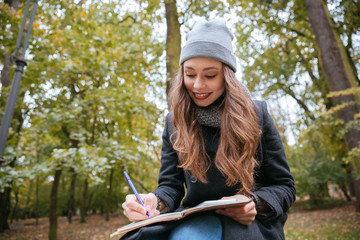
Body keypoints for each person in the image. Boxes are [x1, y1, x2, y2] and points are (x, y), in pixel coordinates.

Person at [121, 19, 296, 240]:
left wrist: (255, 203)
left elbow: (284, 186)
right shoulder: (174, 122)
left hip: (249, 225)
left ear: (227, 76)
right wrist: (154, 201)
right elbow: (170, 186)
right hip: (194, 219)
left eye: (210, 75)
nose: (197, 86)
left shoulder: (257, 114)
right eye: (190, 74)